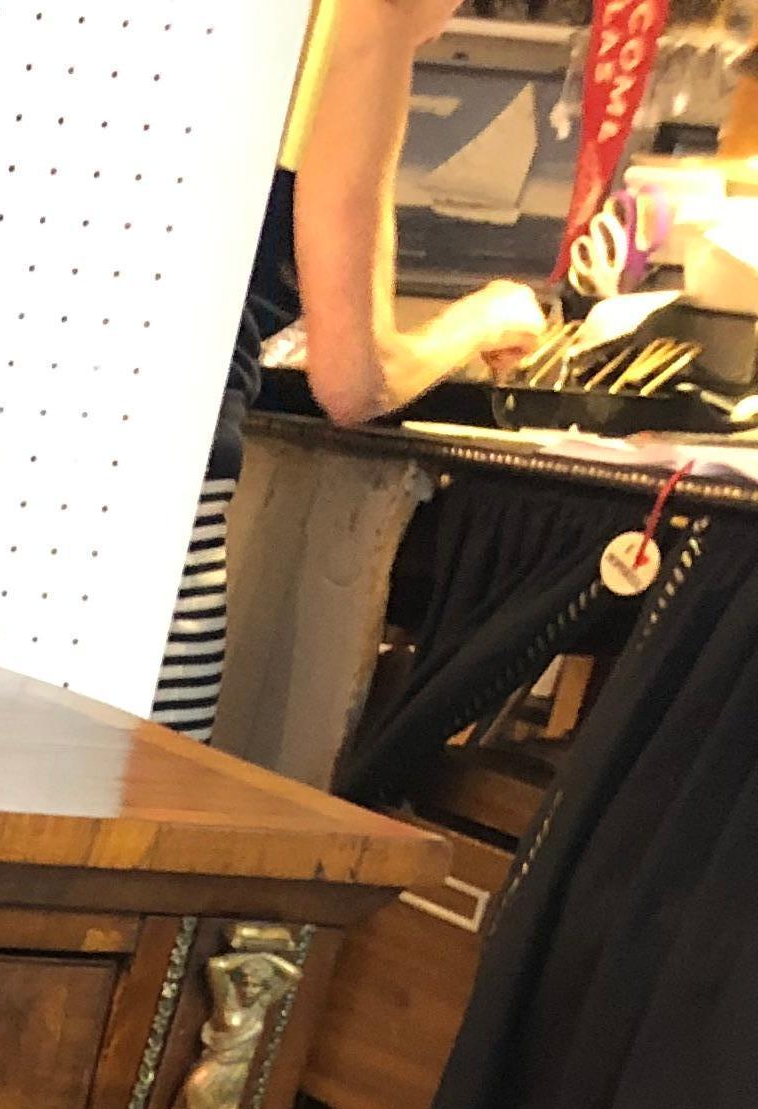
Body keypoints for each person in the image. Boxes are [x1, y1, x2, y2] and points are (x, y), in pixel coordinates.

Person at [155, 0, 552, 734]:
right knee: (113, 822)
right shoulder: (360, 14)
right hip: (152, 525)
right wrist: (489, 315)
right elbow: (355, 380)